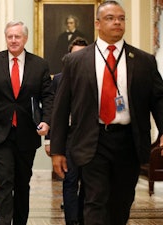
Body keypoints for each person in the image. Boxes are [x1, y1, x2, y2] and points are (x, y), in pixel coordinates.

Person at [50, 1, 163, 225]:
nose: (117, 22)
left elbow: (158, 100)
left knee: (121, 204)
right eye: (110, 18)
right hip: (93, 140)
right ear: (98, 23)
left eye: (121, 18)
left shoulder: (143, 61)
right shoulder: (75, 61)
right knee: (95, 201)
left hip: (129, 141)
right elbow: (61, 108)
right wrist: (57, 150)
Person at [0, 21, 54, 225]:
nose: (13, 40)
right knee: (3, 182)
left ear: (25, 38)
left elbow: (48, 97)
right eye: (9, 36)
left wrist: (46, 122)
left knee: (22, 184)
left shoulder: (40, 65)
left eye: (17, 36)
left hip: (26, 135)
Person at [45, 37, 88, 225]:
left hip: (89, 138)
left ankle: (82, 217)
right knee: (70, 180)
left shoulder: (96, 77)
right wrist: (50, 140)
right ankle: (71, 221)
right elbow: (53, 111)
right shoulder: (59, 80)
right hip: (68, 137)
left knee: (88, 182)